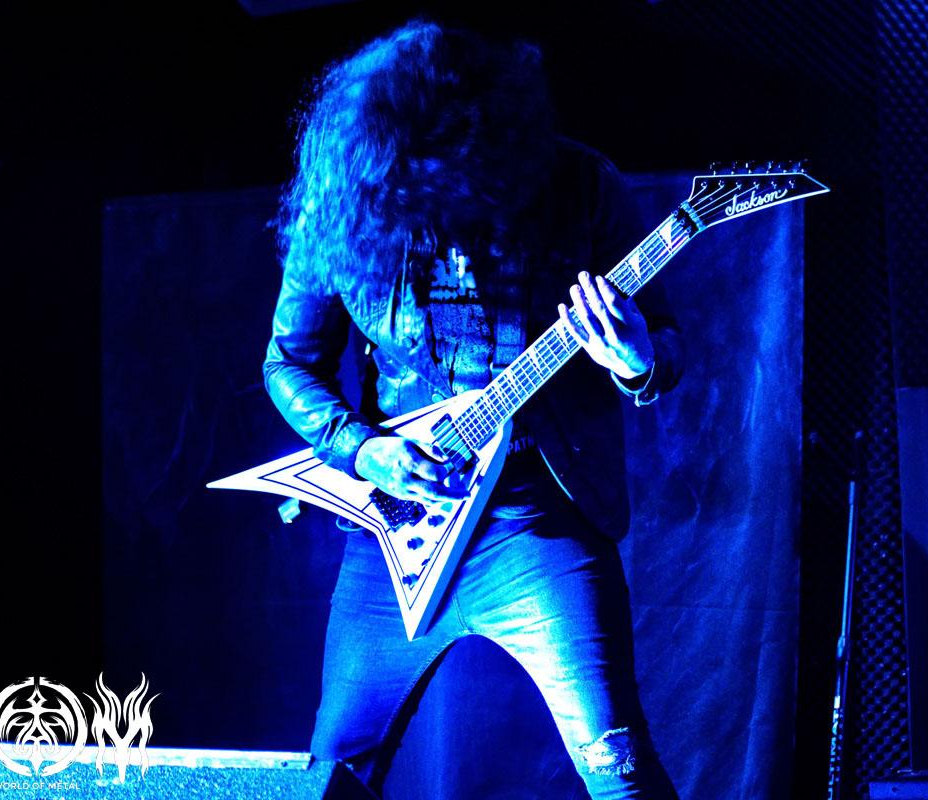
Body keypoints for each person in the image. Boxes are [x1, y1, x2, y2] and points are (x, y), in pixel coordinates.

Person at [265, 19, 683, 799]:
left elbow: (662, 341)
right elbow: (288, 362)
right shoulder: (346, 200)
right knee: (331, 776)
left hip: (535, 522)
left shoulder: (580, 185)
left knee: (618, 770)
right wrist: (363, 449)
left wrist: (635, 359)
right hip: (394, 533)